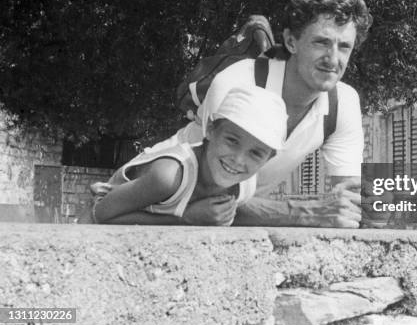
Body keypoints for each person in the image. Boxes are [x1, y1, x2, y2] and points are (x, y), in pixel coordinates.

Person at [155, 0, 373, 228]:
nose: (333, 59)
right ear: (291, 41)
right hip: (154, 197)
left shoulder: (343, 102)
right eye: (321, 42)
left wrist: (370, 210)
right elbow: (211, 196)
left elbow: (353, 201)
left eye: (344, 47)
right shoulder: (238, 82)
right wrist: (306, 212)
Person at [78, 86, 287, 225]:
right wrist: (186, 218)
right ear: (210, 130)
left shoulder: (244, 188)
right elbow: (101, 214)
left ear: (269, 158)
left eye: (256, 153)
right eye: (232, 141)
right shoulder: (169, 175)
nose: (239, 160)